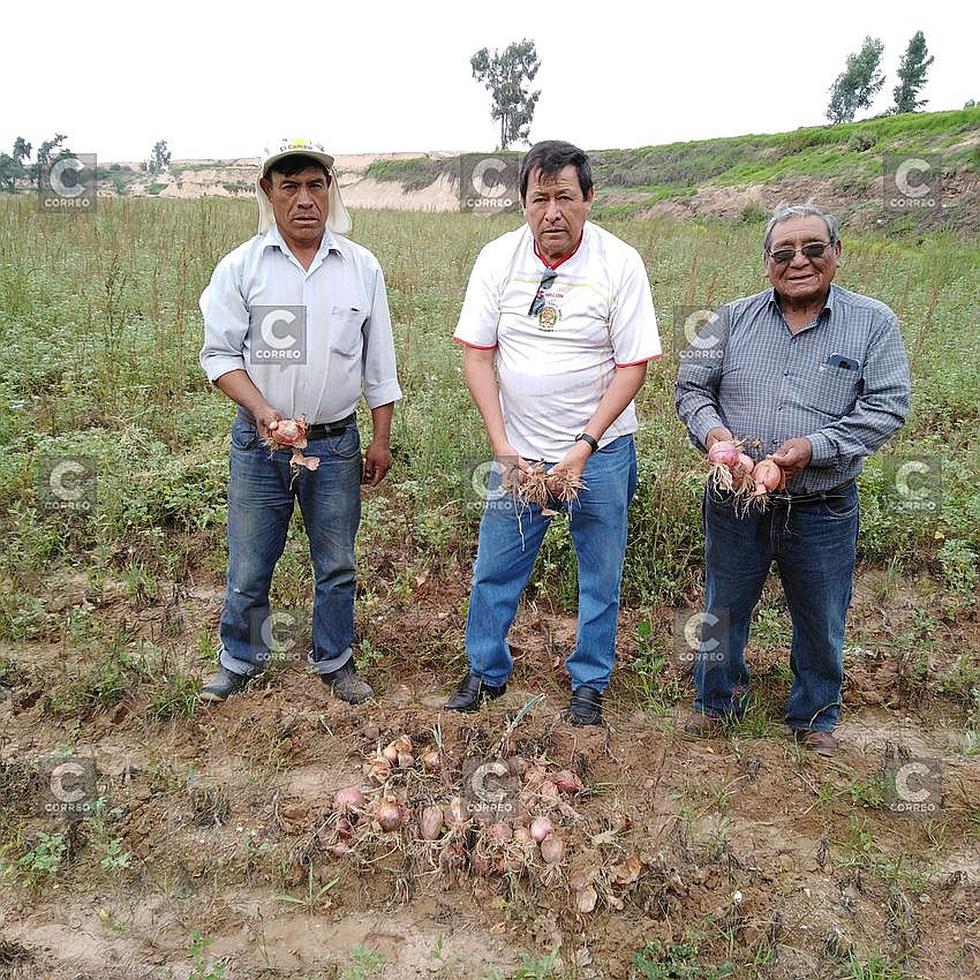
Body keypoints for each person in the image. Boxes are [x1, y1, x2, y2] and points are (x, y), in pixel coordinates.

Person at [675, 203, 910, 756]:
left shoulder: (873, 322)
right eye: (784, 253)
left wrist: (812, 450)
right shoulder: (730, 319)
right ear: (766, 264)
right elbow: (691, 388)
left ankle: (814, 715)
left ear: (836, 254)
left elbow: (887, 406)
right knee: (723, 606)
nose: (798, 261)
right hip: (737, 498)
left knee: (822, 612)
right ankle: (717, 704)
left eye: (813, 248)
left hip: (822, 504)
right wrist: (717, 440)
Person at [448, 140, 662, 726]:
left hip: (601, 453)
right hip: (520, 455)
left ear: (589, 199)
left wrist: (585, 445)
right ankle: (484, 671)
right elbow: (476, 355)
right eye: (539, 199)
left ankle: (589, 682)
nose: (552, 213)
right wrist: (501, 445)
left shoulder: (620, 263)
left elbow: (633, 365)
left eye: (565, 197)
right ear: (522, 203)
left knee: (600, 573)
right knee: (497, 566)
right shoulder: (498, 260)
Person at [197, 137, 401, 704]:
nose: (304, 198)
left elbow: (379, 362)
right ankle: (240, 657)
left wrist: (380, 438)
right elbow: (219, 356)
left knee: (336, 562)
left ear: (329, 191)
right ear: (269, 193)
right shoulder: (242, 268)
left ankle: (334, 659)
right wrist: (262, 411)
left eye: (315, 185)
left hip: (335, 445)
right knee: (250, 559)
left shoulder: (361, 267)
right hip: (260, 444)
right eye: (290, 186)